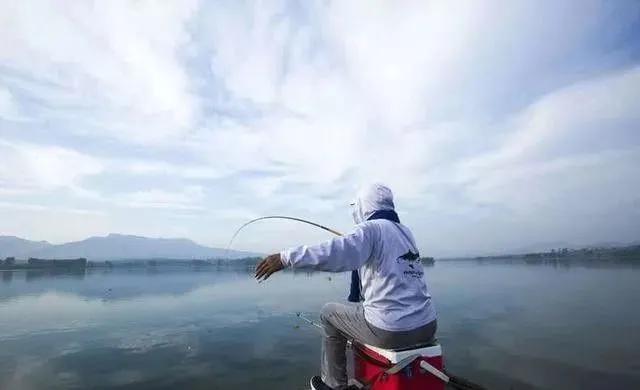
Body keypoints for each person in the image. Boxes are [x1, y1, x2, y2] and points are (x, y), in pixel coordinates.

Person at [255, 183, 437, 390]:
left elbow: (337, 252)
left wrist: (285, 258)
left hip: (392, 330)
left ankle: (334, 384)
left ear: (364, 205)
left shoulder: (370, 229)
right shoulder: (405, 233)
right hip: (428, 326)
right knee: (359, 310)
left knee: (328, 314)